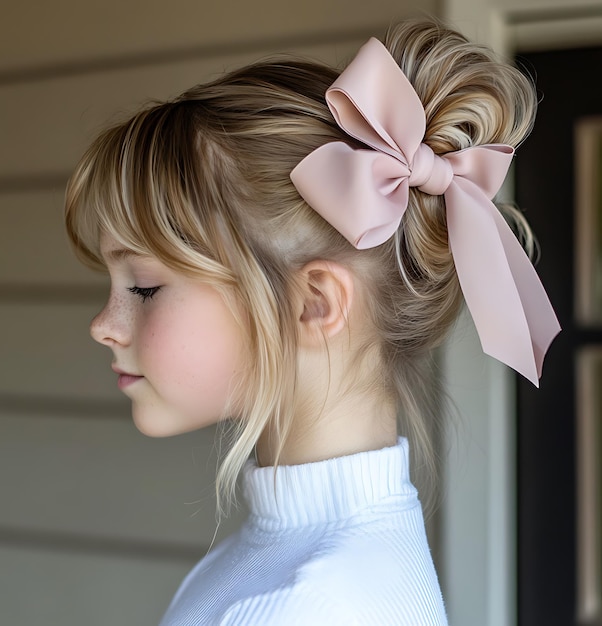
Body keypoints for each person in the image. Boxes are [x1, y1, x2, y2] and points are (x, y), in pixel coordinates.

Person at [64, 18, 560, 626]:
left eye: (143, 286)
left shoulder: (308, 605)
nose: (104, 325)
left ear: (314, 304)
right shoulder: (291, 565)